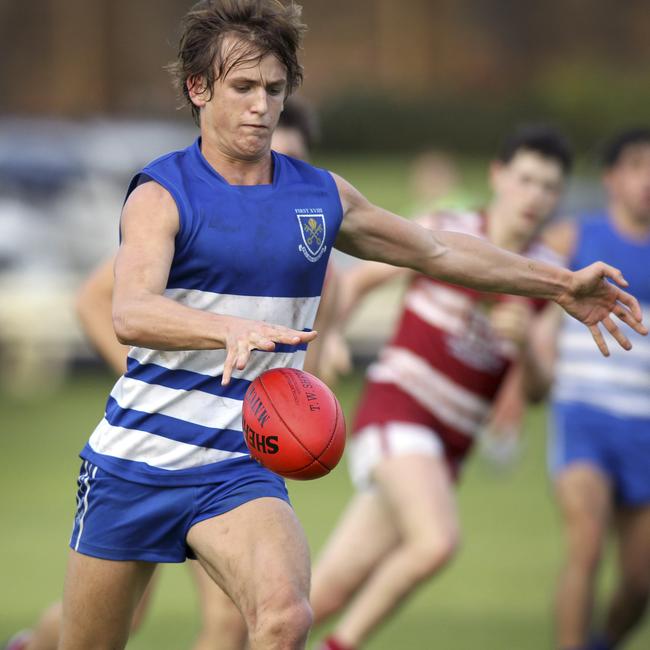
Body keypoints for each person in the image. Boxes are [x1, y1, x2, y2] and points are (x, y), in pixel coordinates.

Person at [53, 2, 645, 649]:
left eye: (274, 90)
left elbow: (437, 249)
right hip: (134, 463)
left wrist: (561, 285)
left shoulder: (321, 197)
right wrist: (223, 327)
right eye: (243, 88)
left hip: (236, 467)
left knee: (285, 617)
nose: (261, 106)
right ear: (199, 89)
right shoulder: (162, 194)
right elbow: (131, 310)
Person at [3, 97, 332, 650]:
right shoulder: (186, 210)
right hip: (150, 452)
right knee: (115, 622)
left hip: (236, 462)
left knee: (250, 618)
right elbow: (102, 302)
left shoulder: (313, 248)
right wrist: (158, 388)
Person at [309, 126, 591, 650]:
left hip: (447, 451)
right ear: (498, 176)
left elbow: (538, 390)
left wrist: (527, 344)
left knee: (315, 599)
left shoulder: (550, 276)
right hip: (398, 415)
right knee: (436, 542)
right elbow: (352, 282)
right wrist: (330, 339)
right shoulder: (447, 228)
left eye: (549, 187)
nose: (535, 196)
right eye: (526, 179)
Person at [544, 128, 650, 650]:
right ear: (611, 178)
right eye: (636, 165)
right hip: (583, 417)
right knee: (586, 546)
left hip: (646, 429)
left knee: (640, 580)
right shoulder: (573, 238)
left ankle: (603, 641)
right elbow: (527, 292)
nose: (647, 179)